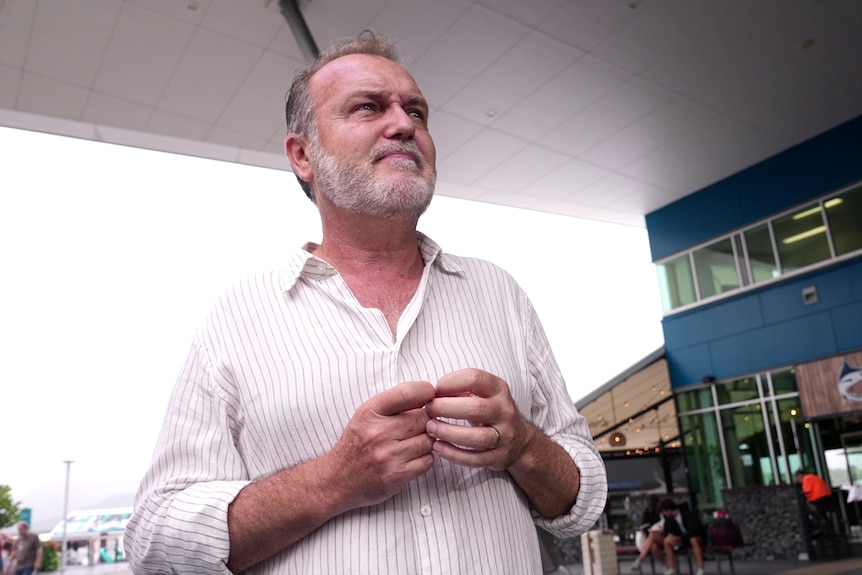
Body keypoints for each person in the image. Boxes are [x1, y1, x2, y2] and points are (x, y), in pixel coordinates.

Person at [123, 31, 607, 575]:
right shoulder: (235, 318)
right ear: (302, 155)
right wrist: (333, 480)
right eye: (368, 107)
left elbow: (583, 504)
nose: (404, 125)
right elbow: (155, 541)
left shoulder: (500, 294)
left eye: (417, 112)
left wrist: (523, 446)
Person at [657, 500, 706, 575]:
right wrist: (670, 536)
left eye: (664, 512)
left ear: (669, 510)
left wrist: (680, 538)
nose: (664, 514)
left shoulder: (688, 514)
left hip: (696, 537)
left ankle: (701, 568)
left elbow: (695, 531)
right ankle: (672, 568)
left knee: (693, 540)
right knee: (667, 541)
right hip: (682, 539)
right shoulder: (669, 519)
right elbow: (667, 529)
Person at [630, 494, 664, 572]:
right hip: (653, 538)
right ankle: (666, 566)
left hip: (663, 536)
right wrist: (650, 529)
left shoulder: (663, 511)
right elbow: (644, 525)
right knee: (653, 546)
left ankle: (639, 560)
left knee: (652, 536)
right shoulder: (648, 511)